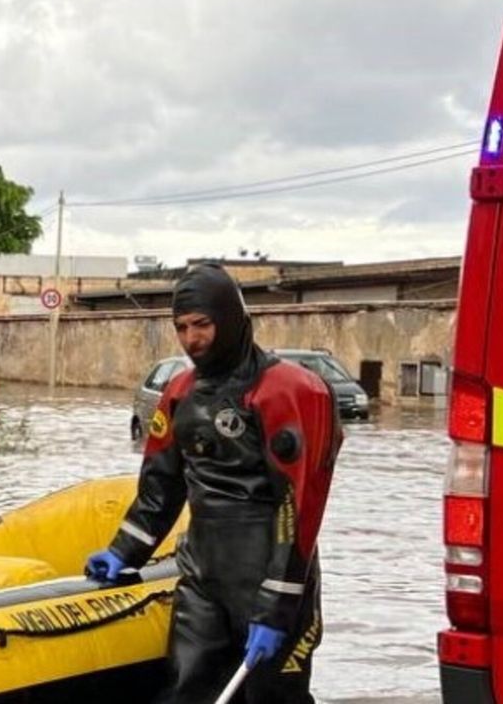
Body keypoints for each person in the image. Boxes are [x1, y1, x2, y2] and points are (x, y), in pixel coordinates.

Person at [85, 263, 341, 704]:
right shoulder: (180, 393)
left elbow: (298, 504)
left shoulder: (289, 390)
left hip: (270, 571)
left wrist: (278, 603)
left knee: (273, 696)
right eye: (181, 328)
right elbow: (160, 487)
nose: (191, 339)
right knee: (187, 687)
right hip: (203, 573)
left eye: (201, 325)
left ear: (230, 318)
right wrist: (123, 551)